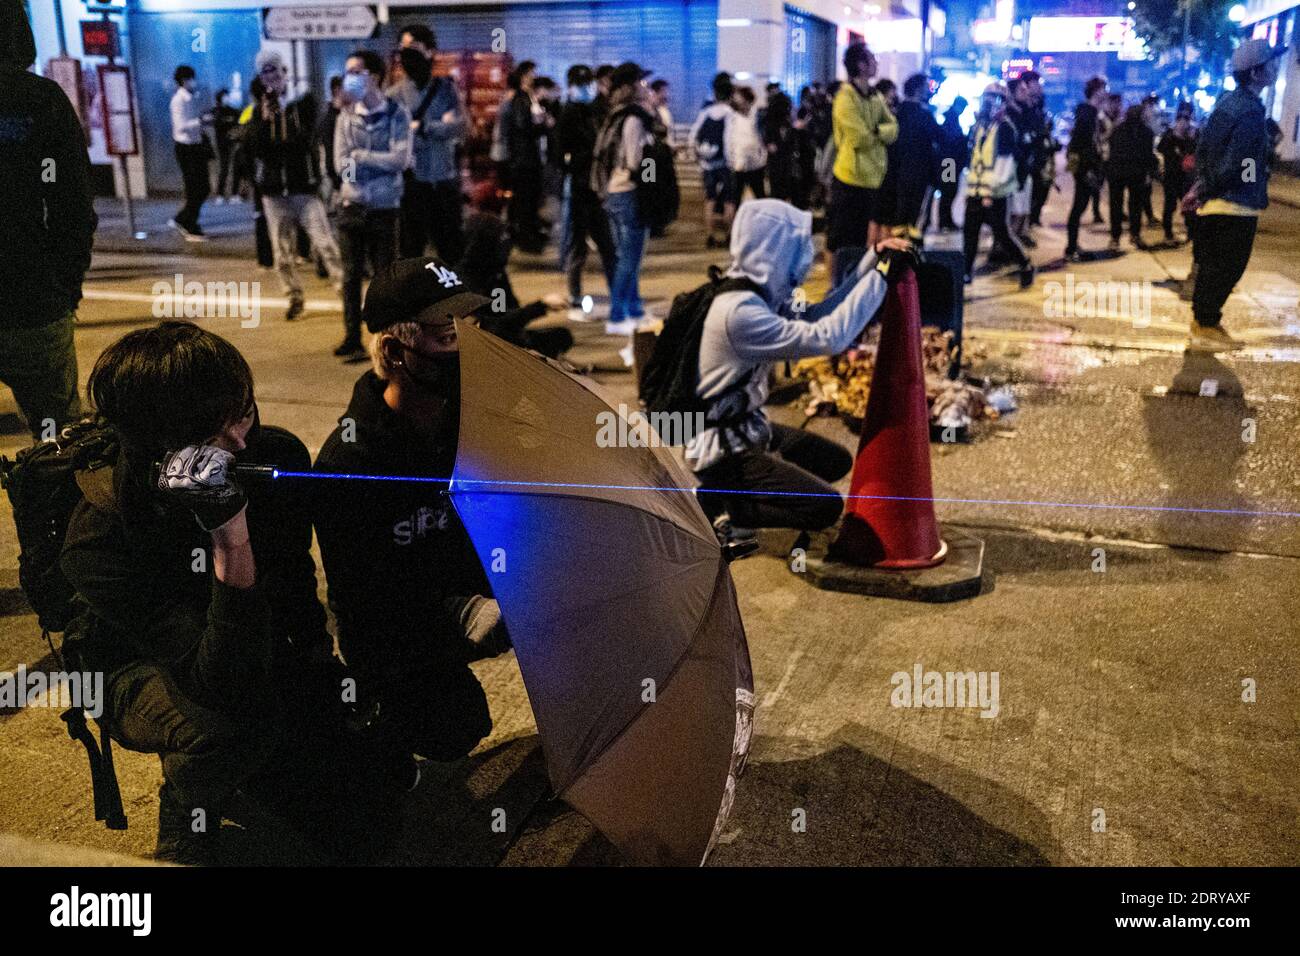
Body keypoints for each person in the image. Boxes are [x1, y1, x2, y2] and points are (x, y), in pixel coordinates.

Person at [60, 322, 341, 864]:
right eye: (211, 436)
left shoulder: (271, 452)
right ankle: (189, 803)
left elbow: (295, 577)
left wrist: (317, 667)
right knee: (231, 731)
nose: (240, 441)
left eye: (244, 412)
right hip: (131, 667)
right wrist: (229, 535)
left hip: (239, 642)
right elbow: (222, 684)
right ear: (157, 450)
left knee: (358, 817)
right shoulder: (99, 537)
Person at [313, 258, 509, 791]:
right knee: (453, 725)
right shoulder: (350, 465)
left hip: (478, 590)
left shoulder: (471, 419)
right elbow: (363, 601)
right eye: (449, 335)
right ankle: (372, 730)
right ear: (397, 353)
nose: (468, 347)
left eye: (471, 328)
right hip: (399, 633)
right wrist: (457, 609)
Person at [686, 199, 914, 539]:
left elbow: (819, 314)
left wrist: (873, 260)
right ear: (772, 246)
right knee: (823, 507)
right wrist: (881, 278)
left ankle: (747, 488)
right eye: (796, 243)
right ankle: (720, 505)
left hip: (749, 430)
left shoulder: (756, 292)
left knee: (835, 461)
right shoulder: (739, 313)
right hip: (721, 449)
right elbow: (829, 336)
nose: (806, 253)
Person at [0, 0, 95, 440]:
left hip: (34, 292)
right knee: (59, 440)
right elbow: (72, 205)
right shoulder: (40, 101)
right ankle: (54, 508)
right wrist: (67, 285)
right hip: (32, 297)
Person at [1190, 39, 1282, 351]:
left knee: (1214, 266)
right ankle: (1205, 324)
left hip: (1219, 201)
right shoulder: (1250, 111)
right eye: (1271, 63)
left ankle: (1204, 322)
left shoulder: (1227, 103)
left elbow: (1205, 149)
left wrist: (1202, 186)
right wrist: (1249, 180)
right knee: (1228, 267)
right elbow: (1242, 161)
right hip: (1235, 205)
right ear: (1257, 72)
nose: (1276, 67)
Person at [247, 50, 342, 321]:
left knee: (326, 245)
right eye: (266, 72)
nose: (273, 76)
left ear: (285, 72)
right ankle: (294, 297)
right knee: (282, 253)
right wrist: (264, 122)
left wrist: (284, 117)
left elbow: (304, 141)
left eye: (276, 70)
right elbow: (257, 150)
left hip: (304, 187)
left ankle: (345, 294)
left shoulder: (303, 102)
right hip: (274, 192)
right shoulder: (258, 110)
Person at [333, 49, 412, 359]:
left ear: (374, 77)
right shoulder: (345, 116)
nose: (349, 77)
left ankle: (385, 339)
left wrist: (361, 157)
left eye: (356, 71)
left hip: (384, 207)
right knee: (350, 276)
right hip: (351, 205)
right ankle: (352, 336)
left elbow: (400, 160)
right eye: (347, 71)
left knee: (384, 277)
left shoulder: (396, 114)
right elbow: (340, 165)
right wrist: (358, 163)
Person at [391, 23, 467, 265]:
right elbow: (396, 134)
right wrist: (438, 125)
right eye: (403, 49)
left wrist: (423, 127)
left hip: (444, 180)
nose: (407, 55)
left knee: (452, 250)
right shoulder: (395, 94)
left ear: (430, 51)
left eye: (413, 48)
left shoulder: (446, 89)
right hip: (412, 183)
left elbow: (460, 125)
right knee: (412, 251)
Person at [591, 61, 657, 335]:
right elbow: (634, 161)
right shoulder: (633, 119)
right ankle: (618, 315)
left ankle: (634, 308)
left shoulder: (616, 114)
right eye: (641, 83)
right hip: (628, 192)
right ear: (630, 87)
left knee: (625, 257)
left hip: (614, 194)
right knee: (630, 259)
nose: (646, 87)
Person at [457, 213, 573, 358]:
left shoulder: (495, 272)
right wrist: (541, 305)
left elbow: (508, 313)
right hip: (486, 343)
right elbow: (493, 325)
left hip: (505, 333)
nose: (506, 248)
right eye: (500, 241)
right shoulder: (468, 279)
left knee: (561, 336)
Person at [827, 42, 897, 266]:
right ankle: (833, 288)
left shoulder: (874, 96)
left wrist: (875, 131)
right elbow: (859, 138)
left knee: (859, 239)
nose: (876, 63)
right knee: (838, 239)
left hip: (872, 179)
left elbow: (894, 128)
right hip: (849, 178)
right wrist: (879, 133)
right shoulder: (845, 97)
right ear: (861, 65)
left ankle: (850, 284)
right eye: (872, 59)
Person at [556, 64, 616, 313]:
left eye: (588, 83)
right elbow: (559, 152)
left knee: (607, 244)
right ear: (572, 86)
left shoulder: (597, 110)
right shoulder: (568, 112)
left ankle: (618, 292)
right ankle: (575, 293)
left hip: (597, 188)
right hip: (580, 187)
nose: (586, 88)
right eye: (581, 84)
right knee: (578, 243)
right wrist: (575, 163)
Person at [962, 84, 1033, 288]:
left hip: (995, 194)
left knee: (1002, 234)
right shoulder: (978, 128)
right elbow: (970, 160)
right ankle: (966, 273)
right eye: (986, 98)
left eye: (993, 99)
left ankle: (1025, 264)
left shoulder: (1005, 128)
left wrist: (990, 194)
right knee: (970, 234)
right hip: (976, 192)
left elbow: (1005, 165)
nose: (988, 103)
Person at [877, 73, 940, 237]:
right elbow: (940, 140)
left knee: (897, 215)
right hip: (920, 174)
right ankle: (912, 252)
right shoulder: (924, 115)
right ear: (918, 89)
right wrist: (946, 175)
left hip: (896, 174)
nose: (929, 90)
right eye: (927, 86)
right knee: (915, 219)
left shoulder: (896, 114)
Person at [503, 60, 552, 252]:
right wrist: (542, 126)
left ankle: (531, 235)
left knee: (531, 200)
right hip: (524, 159)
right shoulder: (520, 99)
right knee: (525, 200)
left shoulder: (528, 98)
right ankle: (526, 238)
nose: (534, 76)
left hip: (531, 157)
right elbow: (523, 126)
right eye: (532, 73)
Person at [689, 72, 736, 248]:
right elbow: (728, 139)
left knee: (709, 200)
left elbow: (693, 134)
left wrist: (697, 155)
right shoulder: (729, 114)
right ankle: (729, 235)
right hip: (723, 163)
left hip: (707, 163)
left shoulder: (706, 111)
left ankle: (709, 235)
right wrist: (731, 161)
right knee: (729, 200)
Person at [1064, 76, 1108, 261]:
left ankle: (1073, 246)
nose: (1105, 92)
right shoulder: (1087, 114)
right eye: (1103, 89)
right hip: (1085, 168)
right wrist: (1086, 168)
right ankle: (1071, 248)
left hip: (1086, 167)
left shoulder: (1092, 113)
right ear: (1096, 91)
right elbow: (1082, 144)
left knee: (1080, 207)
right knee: (1078, 207)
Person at [1105, 102, 1158, 252]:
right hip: (1134, 173)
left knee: (1117, 206)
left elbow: (1112, 150)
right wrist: (1150, 172)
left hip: (1118, 173)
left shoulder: (1118, 130)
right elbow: (1148, 155)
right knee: (1134, 206)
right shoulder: (1146, 132)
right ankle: (1134, 234)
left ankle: (1116, 237)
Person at [169, 65, 212, 241]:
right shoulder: (179, 100)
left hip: (195, 145)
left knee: (203, 187)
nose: (194, 82)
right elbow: (180, 126)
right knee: (196, 188)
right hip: (186, 147)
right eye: (191, 78)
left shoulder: (191, 98)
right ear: (184, 80)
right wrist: (200, 121)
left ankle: (183, 218)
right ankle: (189, 224)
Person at [1157, 102, 1196, 243]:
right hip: (1171, 177)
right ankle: (1168, 233)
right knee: (1170, 206)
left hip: (1185, 178)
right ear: (1177, 121)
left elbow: (1194, 154)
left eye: (1187, 121)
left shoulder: (1189, 139)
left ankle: (1191, 232)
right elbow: (1161, 151)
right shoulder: (1168, 137)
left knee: (1188, 206)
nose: (1184, 125)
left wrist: (1191, 139)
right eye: (1181, 121)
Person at [762, 91, 806, 208]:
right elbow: (781, 146)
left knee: (777, 197)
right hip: (785, 165)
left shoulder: (770, 124)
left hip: (776, 166)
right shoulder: (785, 124)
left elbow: (773, 147)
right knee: (789, 196)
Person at [727, 86, 767, 204]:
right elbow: (730, 139)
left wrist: (762, 158)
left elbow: (762, 138)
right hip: (739, 164)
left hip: (756, 163)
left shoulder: (757, 116)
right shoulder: (732, 117)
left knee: (760, 195)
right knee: (736, 196)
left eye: (739, 98)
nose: (737, 101)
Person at [936, 96, 968, 231]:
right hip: (949, 162)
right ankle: (944, 221)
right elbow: (951, 141)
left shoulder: (951, 118)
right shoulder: (951, 120)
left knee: (949, 191)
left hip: (950, 162)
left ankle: (946, 220)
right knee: (948, 191)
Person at [211, 89, 242, 203]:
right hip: (222, 144)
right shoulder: (216, 111)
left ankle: (235, 193)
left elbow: (239, 122)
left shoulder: (233, 111)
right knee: (224, 168)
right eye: (225, 96)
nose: (227, 98)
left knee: (236, 168)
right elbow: (217, 123)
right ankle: (220, 194)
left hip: (234, 143)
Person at [650, 78, 674, 146]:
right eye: (664, 91)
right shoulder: (653, 112)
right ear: (655, 92)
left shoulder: (665, 111)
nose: (667, 94)